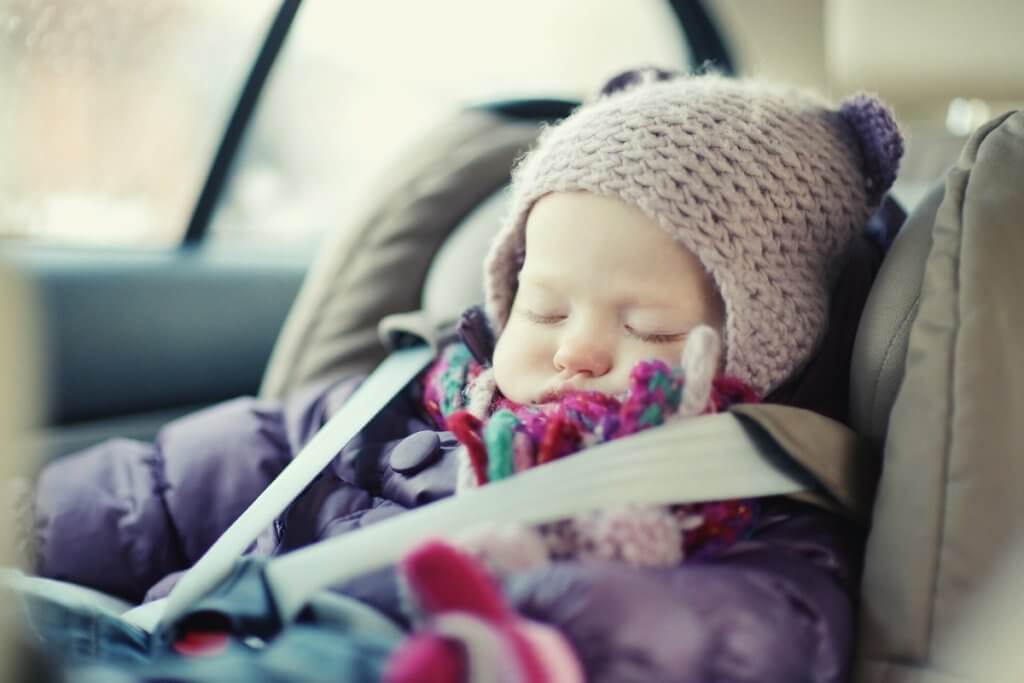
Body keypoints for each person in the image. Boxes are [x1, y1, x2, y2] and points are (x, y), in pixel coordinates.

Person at [17, 69, 903, 682]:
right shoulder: (403, 405)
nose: (575, 351)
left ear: (773, 348)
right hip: (165, 634)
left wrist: (542, 641)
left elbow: (755, 632)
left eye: (648, 327)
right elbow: (168, 487)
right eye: (546, 307)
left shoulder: (748, 508)